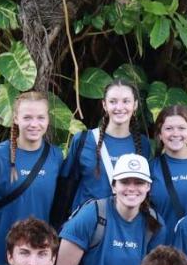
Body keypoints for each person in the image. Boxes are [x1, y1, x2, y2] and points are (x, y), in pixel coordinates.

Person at [0, 91, 65, 265]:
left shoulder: (55, 156)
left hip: (35, 259)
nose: (34, 124)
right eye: (27, 118)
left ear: (48, 120)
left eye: (40, 118)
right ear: (16, 118)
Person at [62, 79, 152, 211]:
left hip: (124, 225)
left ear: (135, 105)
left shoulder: (143, 144)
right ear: (104, 105)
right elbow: (65, 187)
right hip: (86, 225)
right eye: (113, 101)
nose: (119, 107)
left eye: (126, 101)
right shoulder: (83, 140)